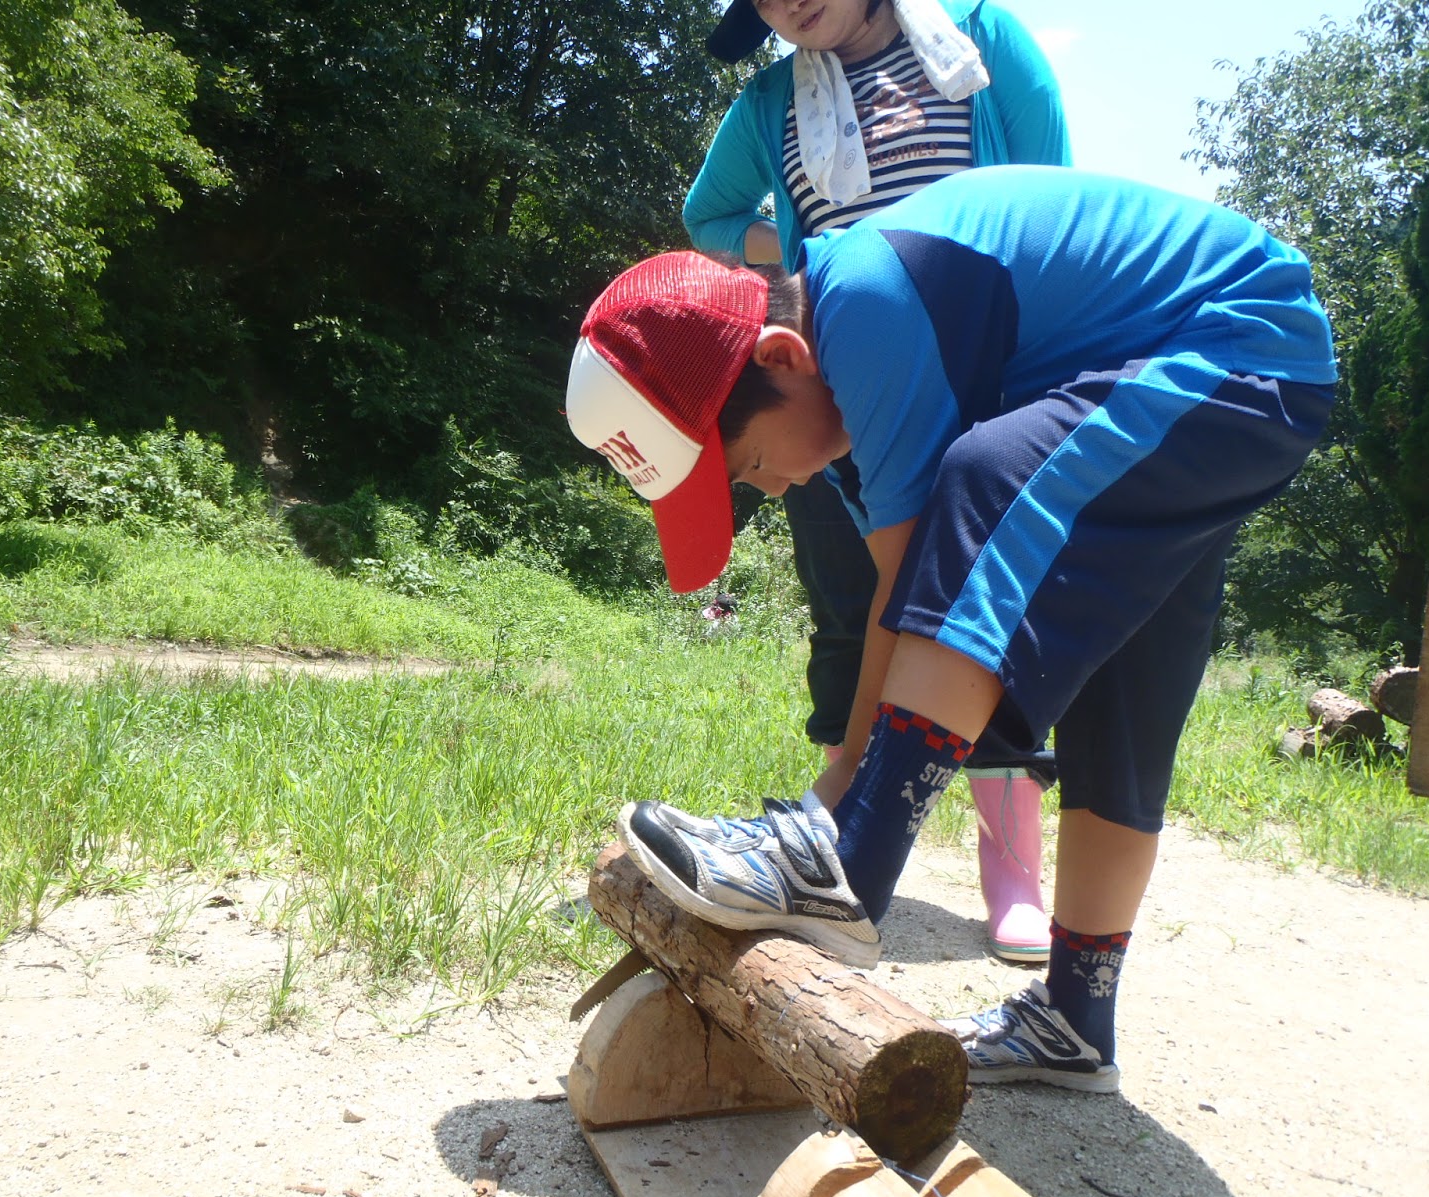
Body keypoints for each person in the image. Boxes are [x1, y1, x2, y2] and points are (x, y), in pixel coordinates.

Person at [564, 166, 1336, 1091]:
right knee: (1122, 694)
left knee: (987, 481)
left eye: (747, 462)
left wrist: (834, 810)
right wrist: (836, 786)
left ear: (781, 357)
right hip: (1205, 378)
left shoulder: (864, 304)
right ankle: (1076, 1018)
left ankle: (849, 870)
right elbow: (902, 606)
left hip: (1238, 342)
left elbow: (917, 578)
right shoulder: (843, 397)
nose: (763, 489)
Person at [685, 0, 1070, 963]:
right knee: (850, 606)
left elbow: (1052, 191)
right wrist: (800, 253)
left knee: (993, 609)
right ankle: (841, 823)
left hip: (991, 367)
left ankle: (1011, 867)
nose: (788, 3)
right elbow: (709, 217)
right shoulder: (769, 100)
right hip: (832, 375)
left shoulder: (981, 36)